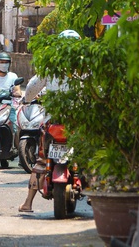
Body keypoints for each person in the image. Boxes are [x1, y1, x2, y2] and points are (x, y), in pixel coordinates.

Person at [19, 30, 81, 214]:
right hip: (77, 122)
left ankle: (28, 203)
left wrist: (26, 100)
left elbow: (31, 87)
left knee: (41, 162)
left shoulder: (51, 66)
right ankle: (96, 194)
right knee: (90, 158)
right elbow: (99, 89)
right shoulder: (86, 66)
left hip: (52, 123)